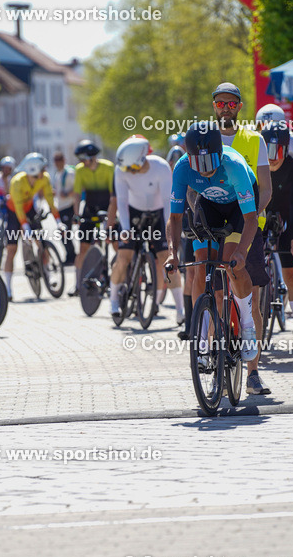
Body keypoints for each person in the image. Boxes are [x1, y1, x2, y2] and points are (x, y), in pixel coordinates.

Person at [167, 121, 260, 365]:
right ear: (189, 157)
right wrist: (171, 254)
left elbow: (251, 219)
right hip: (209, 204)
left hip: (240, 209)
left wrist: (241, 252)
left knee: (232, 264)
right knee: (200, 265)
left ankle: (247, 326)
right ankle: (203, 340)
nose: (206, 170)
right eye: (200, 164)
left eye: (211, 163)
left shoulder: (234, 166)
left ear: (221, 154)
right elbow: (175, 217)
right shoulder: (182, 168)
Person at [211, 82, 273, 395]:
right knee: (216, 300)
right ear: (214, 107)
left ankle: (253, 371)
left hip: (249, 225)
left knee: (254, 303)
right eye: (220, 103)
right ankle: (216, 367)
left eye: (230, 104)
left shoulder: (254, 138)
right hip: (215, 225)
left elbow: (266, 187)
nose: (225, 108)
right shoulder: (203, 137)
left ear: (239, 106)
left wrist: (250, 217)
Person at [110, 135, 184, 325]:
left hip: (158, 214)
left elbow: (169, 202)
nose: (130, 173)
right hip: (133, 212)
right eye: (127, 169)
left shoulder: (160, 167)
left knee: (167, 259)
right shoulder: (121, 170)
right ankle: (113, 302)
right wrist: (125, 229)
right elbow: (123, 202)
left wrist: (171, 230)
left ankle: (180, 310)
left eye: (133, 168)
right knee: (124, 256)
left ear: (143, 158)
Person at [261, 121, 293, 358]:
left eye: (278, 152)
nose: (272, 159)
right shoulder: (255, 162)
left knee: (292, 274)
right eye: (267, 153)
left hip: (284, 215)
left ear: (286, 148)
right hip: (258, 214)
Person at [2, 152, 58, 298]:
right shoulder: (16, 181)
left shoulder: (44, 178)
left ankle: (48, 271)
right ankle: (7, 288)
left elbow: (50, 199)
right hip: (14, 211)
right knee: (11, 249)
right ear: (34, 169)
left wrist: (58, 221)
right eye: (43, 168)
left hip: (29, 208)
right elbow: (18, 207)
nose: (45, 171)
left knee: (41, 241)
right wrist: (25, 226)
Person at [71, 140, 117, 284]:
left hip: (107, 206)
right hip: (90, 208)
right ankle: (78, 284)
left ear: (92, 157)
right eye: (80, 159)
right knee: (83, 247)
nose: (82, 162)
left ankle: (116, 275)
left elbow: (113, 194)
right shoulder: (79, 169)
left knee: (116, 244)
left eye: (84, 159)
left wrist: (112, 215)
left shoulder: (108, 167)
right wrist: (77, 215)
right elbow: (77, 194)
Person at [51, 151, 77, 269]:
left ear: (63, 161)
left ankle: (72, 256)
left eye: (59, 160)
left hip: (68, 206)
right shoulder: (58, 174)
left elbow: (77, 189)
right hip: (60, 207)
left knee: (65, 233)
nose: (57, 163)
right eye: (55, 161)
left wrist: (67, 194)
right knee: (63, 234)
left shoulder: (69, 173)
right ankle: (69, 255)